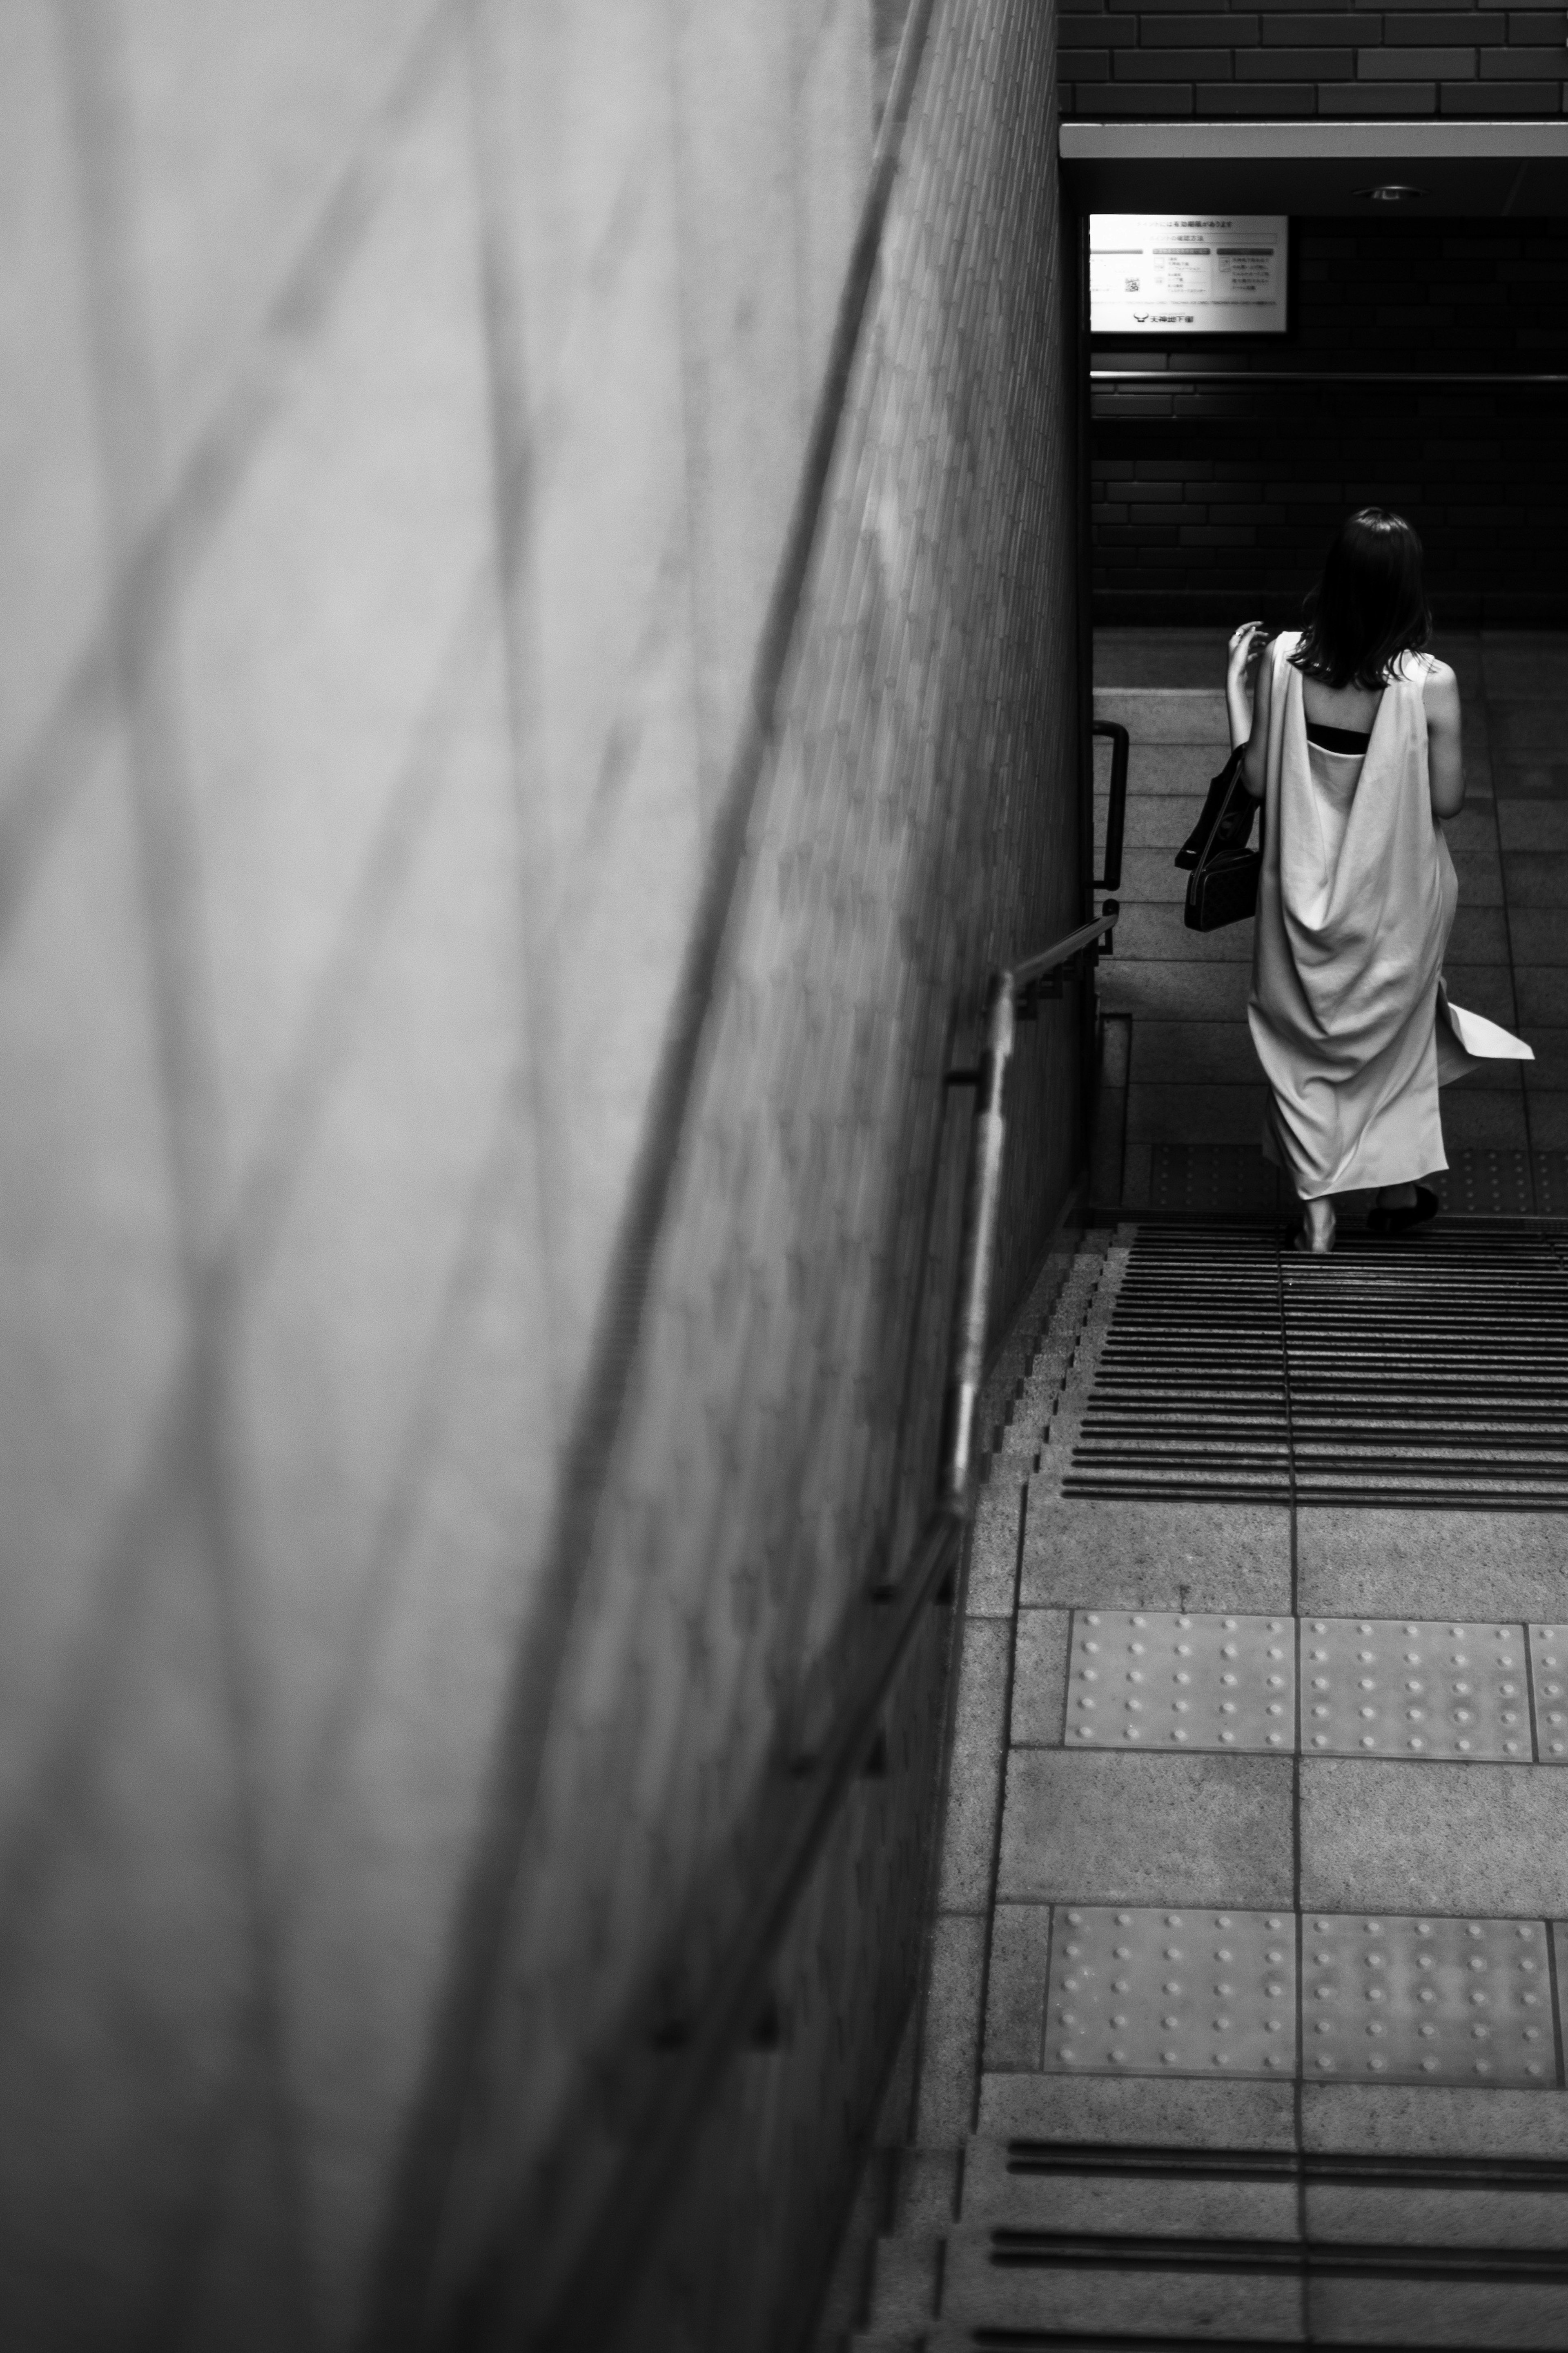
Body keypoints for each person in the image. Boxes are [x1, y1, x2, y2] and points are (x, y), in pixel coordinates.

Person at [1225, 508, 1522, 1256]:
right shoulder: (1431, 685)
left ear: (1334, 579)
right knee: (1390, 1034)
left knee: (1305, 1051)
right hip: (1395, 903)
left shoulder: (1286, 660)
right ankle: (1385, 1187)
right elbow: (1446, 800)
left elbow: (1256, 778)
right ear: (1407, 591)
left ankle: (1346, 1204)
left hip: (1298, 899)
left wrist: (1237, 688)